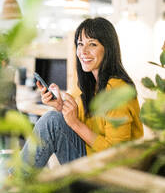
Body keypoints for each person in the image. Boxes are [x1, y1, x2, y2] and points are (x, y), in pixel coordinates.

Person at [20, 17, 144, 168]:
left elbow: (117, 154)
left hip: (115, 168)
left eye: (92, 44)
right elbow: (73, 121)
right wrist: (60, 107)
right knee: (54, 117)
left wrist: (75, 123)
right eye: (80, 44)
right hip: (92, 157)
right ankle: (18, 178)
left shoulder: (117, 91)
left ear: (108, 48)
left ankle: (16, 179)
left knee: (52, 120)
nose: (83, 51)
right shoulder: (88, 84)